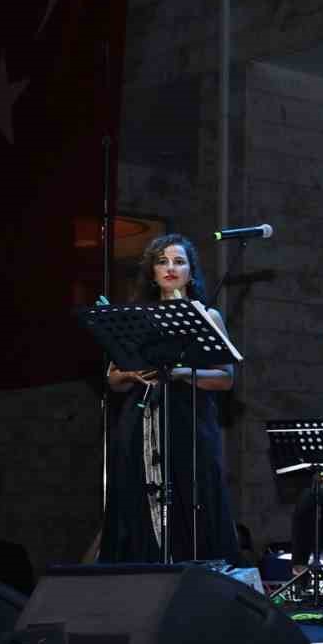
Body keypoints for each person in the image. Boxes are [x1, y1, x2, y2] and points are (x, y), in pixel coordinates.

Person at [103, 234, 239, 564]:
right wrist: (132, 374)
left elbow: (226, 378)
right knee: (138, 494)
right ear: (152, 272)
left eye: (179, 262)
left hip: (189, 420)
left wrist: (180, 373)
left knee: (193, 493)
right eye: (162, 261)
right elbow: (112, 380)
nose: (170, 268)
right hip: (141, 419)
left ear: (191, 272)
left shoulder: (207, 315)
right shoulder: (136, 317)